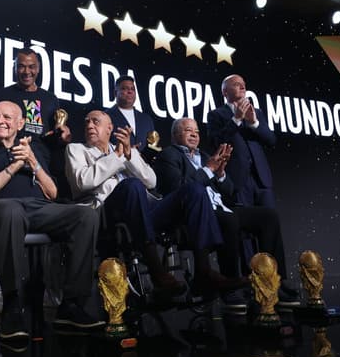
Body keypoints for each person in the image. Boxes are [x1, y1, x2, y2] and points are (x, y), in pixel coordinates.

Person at [65, 110, 246, 298]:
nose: (89, 125)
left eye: (95, 122)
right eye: (86, 122)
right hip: (108, 212)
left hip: (143, 211)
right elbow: (82, 182)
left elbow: (151, 181)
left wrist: (128, 154)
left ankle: (203, 272)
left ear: (109, 128)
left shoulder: (126, 151)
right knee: (132, 185)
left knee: (194, 190)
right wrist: (117, 156)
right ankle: (157, 272)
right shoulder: (76, 149)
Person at [0, 100, 103, 342]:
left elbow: (53, 193)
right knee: (10, 210)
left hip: (39, 208)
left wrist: (32, 161)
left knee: (85, 215)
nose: (1, 121)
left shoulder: (33, 149)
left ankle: (71, 305)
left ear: (20, 123)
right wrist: (15, 166)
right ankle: (12, 305)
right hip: (0, 209)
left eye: (7, 117)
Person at [155, 118, 299, 309]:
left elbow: (230, 193)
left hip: (223, 207)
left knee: (268, 216)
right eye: (188, 130)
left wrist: (221, 173)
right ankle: (230, 287)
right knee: (228, 220)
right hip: (197, 215)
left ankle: (275, 281)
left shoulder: (206, 155)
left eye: (197, 131)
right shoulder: (168, 156)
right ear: (174, 136)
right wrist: (209, 170)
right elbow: (178, 190)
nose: (194, 134)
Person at [0, 47, 72, 199]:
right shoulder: (1, 95)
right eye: (21, 66)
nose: (26, 71)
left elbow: (56, 132)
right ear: (15, 68)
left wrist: (64, 135)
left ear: (38, 69)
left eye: (31, 66)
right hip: (6, 160)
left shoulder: (50, 99)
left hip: (41, 164)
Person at [206, 74, 277, 208]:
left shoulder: (257, 112)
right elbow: (216, 143)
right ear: (225, 92)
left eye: (243, 83)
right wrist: (236, 120)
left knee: (270, 223)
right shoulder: (216, 115)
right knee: (245, 223)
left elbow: (271, 141)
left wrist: (254, 123)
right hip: (237, 180)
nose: (242, 86)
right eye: (236, 84)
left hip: (261, 179)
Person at [105, 76, 156, 150]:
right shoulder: (106, 116)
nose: (130, 91)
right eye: (124, 88)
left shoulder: (147, 119)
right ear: (115, 93)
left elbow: (154, 145)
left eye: (132, 89)